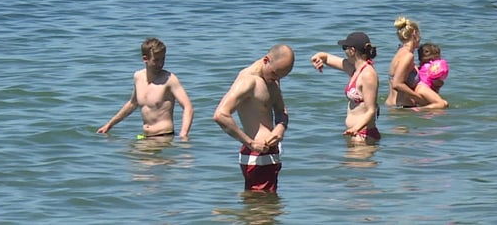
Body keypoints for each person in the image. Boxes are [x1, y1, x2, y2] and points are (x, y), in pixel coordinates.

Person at [213, 44, 294, 192]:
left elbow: (281, 110)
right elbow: (220, 115)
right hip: (256, 157)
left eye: (281, 76)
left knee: (270, 210)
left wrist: (281, 127)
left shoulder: (272, 79)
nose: (277, 79)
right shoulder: (248, 81)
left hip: (271, 155)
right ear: (266, 60)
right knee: (259, 209)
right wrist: (250, 143)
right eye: (275, 73)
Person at [98, 37, 194, 140]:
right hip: (145, 137)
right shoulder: (138, 77)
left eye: (163, 59)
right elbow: (132, 103)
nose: (160, 64)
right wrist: (109, 125)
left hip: (163, 137)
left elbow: (188, 107)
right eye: (156, 60)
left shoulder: (170, 79)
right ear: (145, 59)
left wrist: (183, 134)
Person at [310, 32, 382, 143]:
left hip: (364, 136)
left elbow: (371, 110)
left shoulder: (368, 74)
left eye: (345, 48)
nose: (344, 52)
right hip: (354, 134)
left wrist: (355, 129)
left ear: (352, 51)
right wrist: (318, 57)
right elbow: (328, 58)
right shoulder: (354, 69)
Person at [385, 17, 448, 109]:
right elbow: (397, 84)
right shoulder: (408, 56)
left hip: (395, 106)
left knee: (443, 104)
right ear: (415, 34)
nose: (420, 38)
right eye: (419, 34)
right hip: (402, 107)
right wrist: (419, 99)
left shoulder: (400, 52)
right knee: (441, 105)